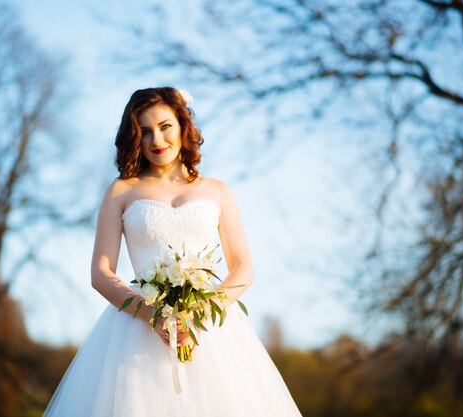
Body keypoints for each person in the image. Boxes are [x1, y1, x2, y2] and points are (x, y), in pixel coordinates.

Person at [42, 87, 303, 417]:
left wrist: (198, 317)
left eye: (165, 126)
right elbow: (101, 273)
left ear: (183, 125)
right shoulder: (121, 191)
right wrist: (154, 317)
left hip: (212, 332)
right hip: (137, 328)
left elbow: (243, 268)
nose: (157, 139)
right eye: (145, 131)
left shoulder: (217, 190)